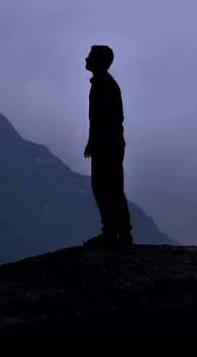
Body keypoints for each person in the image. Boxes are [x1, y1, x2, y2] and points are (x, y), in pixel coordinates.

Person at [82, 45, 133, 247]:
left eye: (90, 56)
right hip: (109, 142)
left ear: (100, 61)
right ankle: (117, 231)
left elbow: (102, 118)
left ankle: (115, 232)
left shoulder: (103, 84)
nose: (86, 59)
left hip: (107, 144)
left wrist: (95, 141)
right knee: (109, 187)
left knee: (106, 187)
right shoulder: (104, 83)